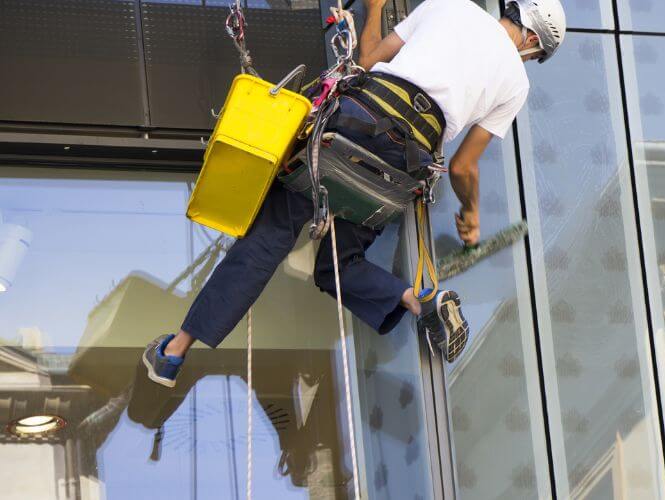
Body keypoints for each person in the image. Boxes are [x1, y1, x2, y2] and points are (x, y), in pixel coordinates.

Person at [142, 0, 567, 388]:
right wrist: (471, 214)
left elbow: (367, 60)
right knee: (339, 265)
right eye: (536, 55)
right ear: (532, 40)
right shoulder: (516, 84)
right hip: (399, 169)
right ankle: (422, 302)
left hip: (353, 125)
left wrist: (375, 9)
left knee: (268, 237)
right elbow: (462, 167)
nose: (529, 58)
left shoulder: (449, 6)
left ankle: (175, 352)